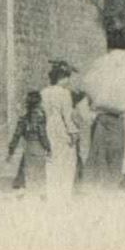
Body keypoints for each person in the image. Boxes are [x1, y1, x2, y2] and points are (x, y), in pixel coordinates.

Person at [41, 61, 81, 199]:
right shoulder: (64, 93)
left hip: (48, 126)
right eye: (67, 78)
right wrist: (74, 133)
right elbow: (68, 116)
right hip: (61, 128)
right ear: (62, 77)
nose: (68, 81)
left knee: (51, 160)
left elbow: (43, 112)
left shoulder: (44, 92)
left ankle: (52, 193)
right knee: (68, 161)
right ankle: (64, 194)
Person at [9, 88, 51, 191]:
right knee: (40, 173)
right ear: (39, 102)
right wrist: (48, 147)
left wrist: (11, 149)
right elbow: (42, 134)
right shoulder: (41, 115)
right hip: (38, 146)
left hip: (28, 146)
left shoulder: (24, 117)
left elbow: (17, 134)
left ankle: (26, 192)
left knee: (29, 172)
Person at [82, 98, 125, 191]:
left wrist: (100, 107)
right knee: (104, 156)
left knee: (109, 156)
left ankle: (108, 187)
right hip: (106, 121)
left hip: (108, 120)